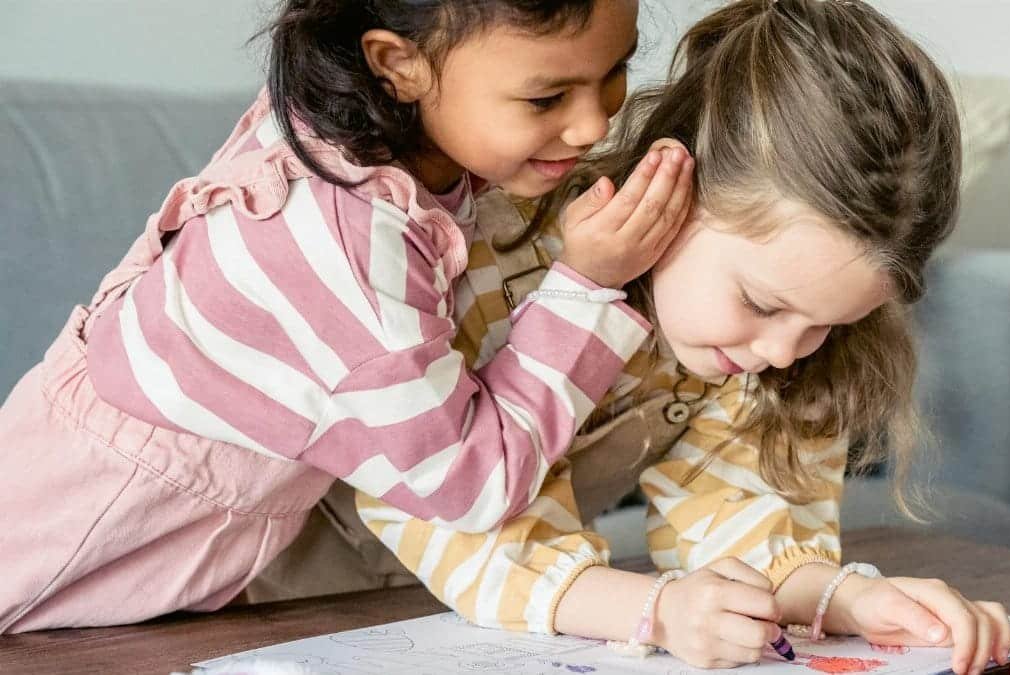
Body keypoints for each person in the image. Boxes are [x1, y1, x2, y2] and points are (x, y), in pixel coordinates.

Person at [347, 1, 1010, 674]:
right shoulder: (486, 256)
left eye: (827, 323)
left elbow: (734, 511)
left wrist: (850, 599)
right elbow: (458, 515)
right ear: (676, 184)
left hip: (461, 629)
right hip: (297, 600)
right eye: (760, 302)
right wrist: (658, 610)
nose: (785, 349)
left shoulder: (746, 346)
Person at [0, 0, 697, 633]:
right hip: (70, 545)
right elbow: (470, 485)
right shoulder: (343, 240)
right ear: (399, 64)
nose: (595, 123)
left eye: (616, 69)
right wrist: (587, 286)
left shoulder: (381, 131)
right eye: (546, 96)